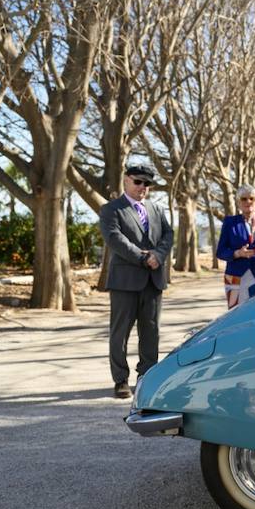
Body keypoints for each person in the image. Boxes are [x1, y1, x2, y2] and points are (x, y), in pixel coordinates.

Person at [98, 162, 174, 399]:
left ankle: (147, 377)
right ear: (126, 180)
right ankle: (120, 380)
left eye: (147, 184)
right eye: (138, 182)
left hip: (153, 281)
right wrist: (143, 259)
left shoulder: (156, 209)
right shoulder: (111, 209)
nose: (142, 187)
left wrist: (158, 256)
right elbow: (115, 239)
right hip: (125, 282)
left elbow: (168, 234)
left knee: (151, 332)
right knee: (120, 333)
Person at [216, 185, 255, 309]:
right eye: (244, 199)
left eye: (251, 198)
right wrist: (237, 253)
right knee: (235, 316)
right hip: (235, 277)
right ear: (238, 202)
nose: (248, 202)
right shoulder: (229, 223)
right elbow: (220, 252)